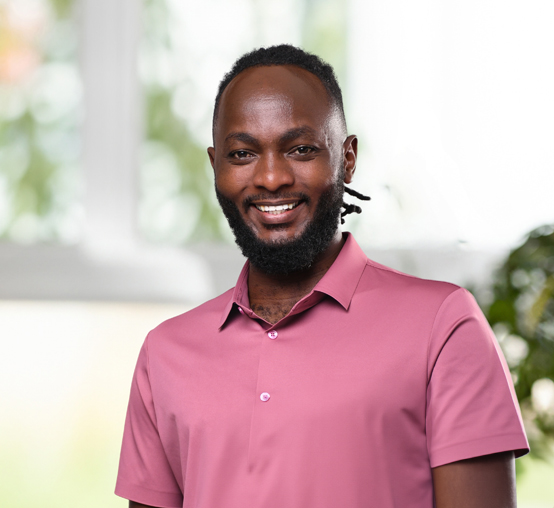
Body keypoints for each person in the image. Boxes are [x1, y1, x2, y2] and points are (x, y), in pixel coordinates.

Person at [115, 45, 529, 508]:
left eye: (301, 149)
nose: (271, 178)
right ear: (216, 167)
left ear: (347, 157)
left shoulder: (444, 325)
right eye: (243, 153)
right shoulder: (165, 353)